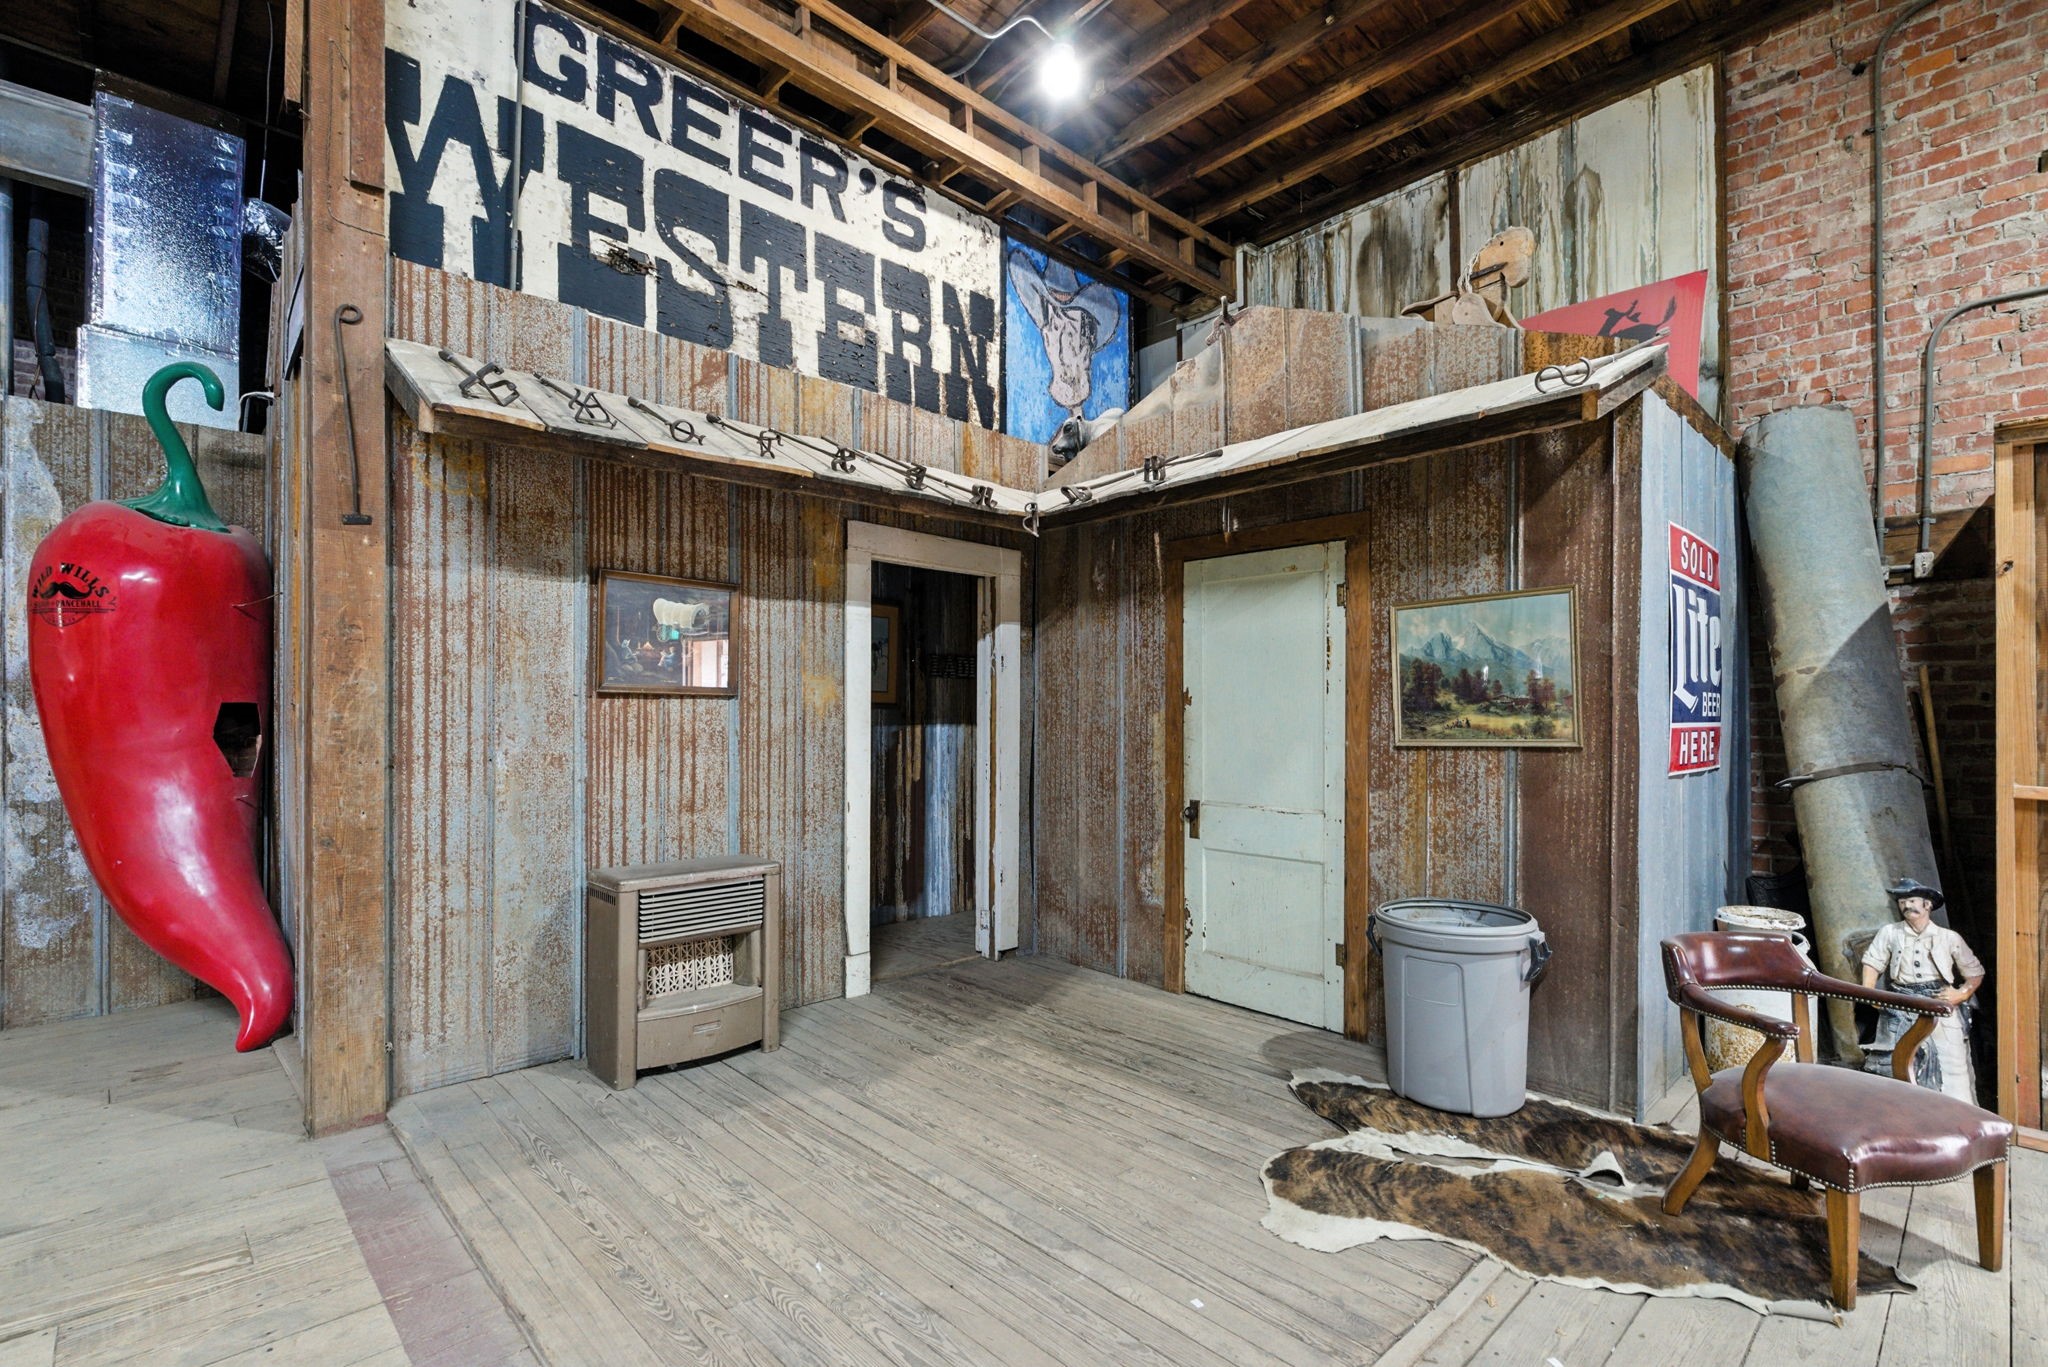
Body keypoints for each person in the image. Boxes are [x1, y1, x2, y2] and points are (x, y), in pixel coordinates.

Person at [1860, 877, 1984, 1103]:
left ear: (1927, 905)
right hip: (1901, 1003)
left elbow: (1974, 972)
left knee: (1952, 1062)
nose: (1907, 906)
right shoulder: (1890, 932)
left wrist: (1962, 993)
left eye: (1912, 900)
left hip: (1940, 1001)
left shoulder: (1948, 937)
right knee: (1896, 1060)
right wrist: (1870, 992)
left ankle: (1958, 1115)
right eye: (1902, 902)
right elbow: (1873, 962)